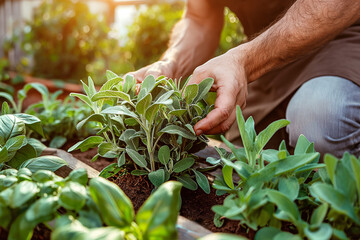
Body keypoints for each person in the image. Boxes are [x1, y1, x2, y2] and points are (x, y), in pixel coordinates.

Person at [128, 0, 360, 157]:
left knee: (321, 117)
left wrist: (244, 60)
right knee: (244, 166)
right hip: (265, 66)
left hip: (344, 44)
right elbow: (200, 18)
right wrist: (171, 64)